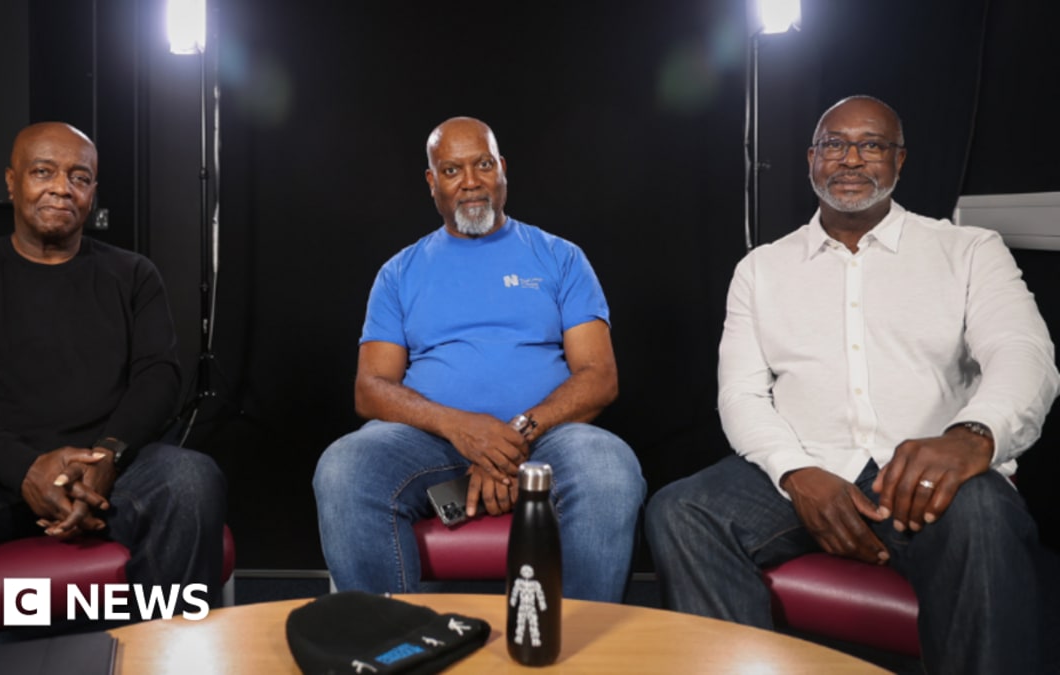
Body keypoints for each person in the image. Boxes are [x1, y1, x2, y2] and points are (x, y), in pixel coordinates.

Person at [645, 96, 1058, 673]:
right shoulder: (761, 269)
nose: (851, 159)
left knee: (986, 515)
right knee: (682, 510)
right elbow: (740, 394)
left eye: (871, 145)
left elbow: (1024, 352)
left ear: (899, 160)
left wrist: (972, 435)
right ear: (811, 158)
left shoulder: (968, 251)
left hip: (927, 476)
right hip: (808, 465)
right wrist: (796, 472)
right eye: (835, 144)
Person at [0, 122, 226, 674]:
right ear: (12, 183)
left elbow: (159, 377)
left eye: (80, 177)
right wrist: (24, 467)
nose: (62, 187)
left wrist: (106, 456)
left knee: (191, 481)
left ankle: (160, 664)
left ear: (93, 192)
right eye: (43, 172)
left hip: (112, 473)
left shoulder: (133, 275)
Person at [314, 117, 645, 601]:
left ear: (503, 170)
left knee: (609, 466)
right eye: (451, 170)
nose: (470, 182)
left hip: (548, 440)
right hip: (430, 444)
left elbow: (599, 377)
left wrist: (512, 437)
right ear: (432, 182)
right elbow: (371, 388)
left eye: (483, 165)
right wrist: (462, 429)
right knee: (344, 466)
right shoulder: (399, 272)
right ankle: (389, 646)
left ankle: (578, 652)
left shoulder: (561, 258)